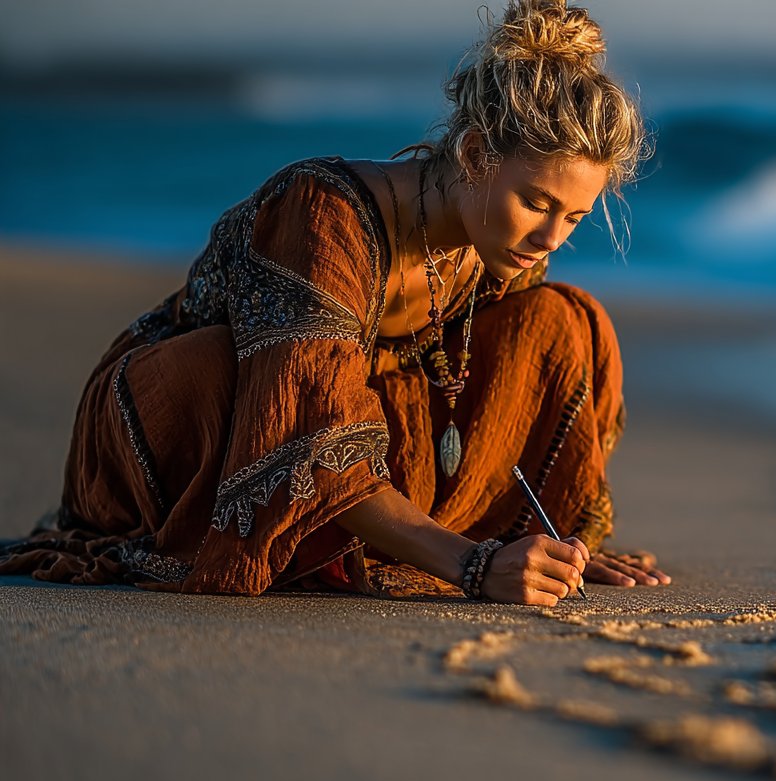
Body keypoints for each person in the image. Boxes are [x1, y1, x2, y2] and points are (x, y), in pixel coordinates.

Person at [0, 0, 669, 605]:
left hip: (332, 415)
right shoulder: (325, 213)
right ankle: (405, 541)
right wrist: (471, 566)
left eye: (575, 217)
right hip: (194, 431)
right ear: (472, 154)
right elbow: (309, 422)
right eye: (537, 203)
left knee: (565, 322)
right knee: (228, 377)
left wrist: (552, 549)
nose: (550, 236)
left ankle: (519, 542)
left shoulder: (497, 244)